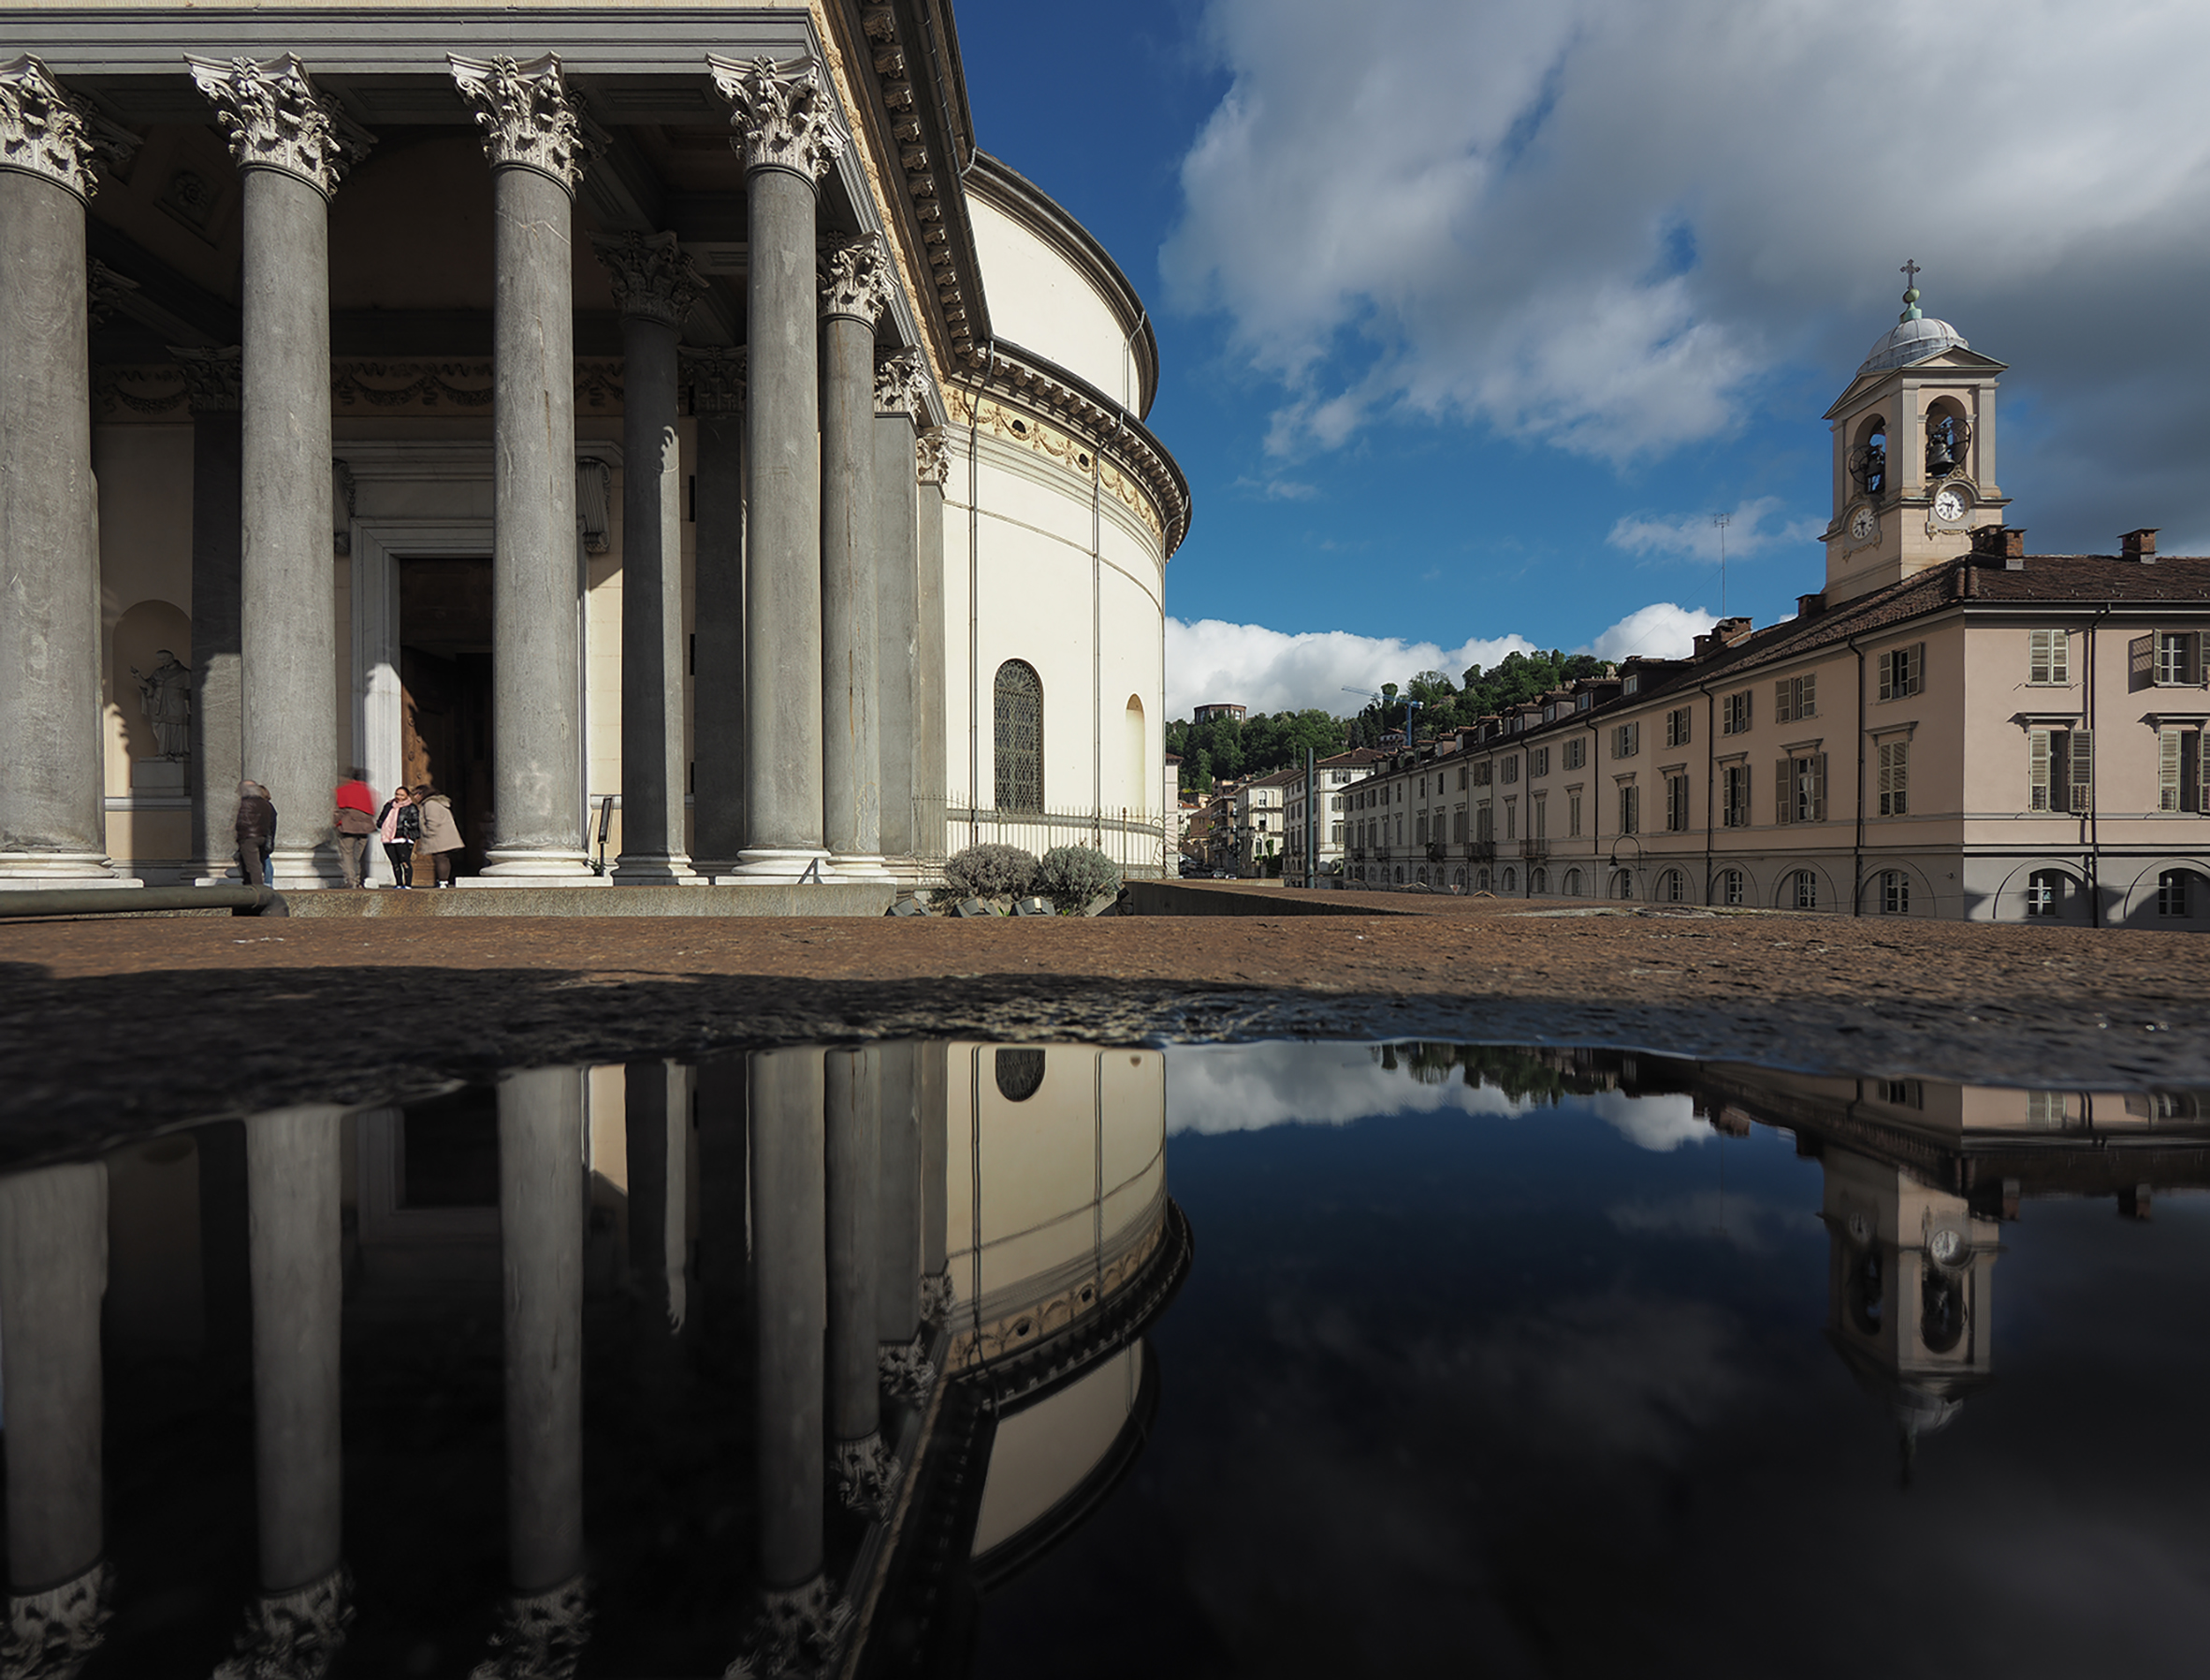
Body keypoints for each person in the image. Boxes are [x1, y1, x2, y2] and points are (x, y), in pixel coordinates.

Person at [333, 767, 376, 888]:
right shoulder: (368, 791)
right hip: (365, 827)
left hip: (348, 825)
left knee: (347, 854)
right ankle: (357, 880)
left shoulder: (343, 789)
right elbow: (373, 810)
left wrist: (336, 823)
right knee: (358, 856)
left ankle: (350, 880)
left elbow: (338, 809)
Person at [414, 785, 463, 887]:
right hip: (443, 835)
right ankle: (443, 881)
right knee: (442, 858)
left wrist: (427, 834)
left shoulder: (430, 804)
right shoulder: (436, 803)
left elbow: (433, 821)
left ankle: (443, 881)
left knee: (440, 858)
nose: (415, 797)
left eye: (417, 794)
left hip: (438, 836)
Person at [377, 785, 421, 888]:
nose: (399, 797)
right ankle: (399, 883)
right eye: (397, 794)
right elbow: (381, 818)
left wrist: (405, 826)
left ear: (407, 796)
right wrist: (381, 824)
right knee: (395, 863)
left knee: (404, 861)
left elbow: (416, 822)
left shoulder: (411, 807)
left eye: (402, 795)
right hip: (388, 838)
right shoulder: (389, 806)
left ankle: (408, 884)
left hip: (403, 838)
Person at [234, 780, 275, 888]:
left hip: (248, 836)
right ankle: (253, 885)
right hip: (262, 836)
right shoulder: (265, 804)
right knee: (256, 863)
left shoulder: (244, 803)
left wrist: (235, 831)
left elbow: (241, 821)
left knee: (253, 865)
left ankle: (258, 888)